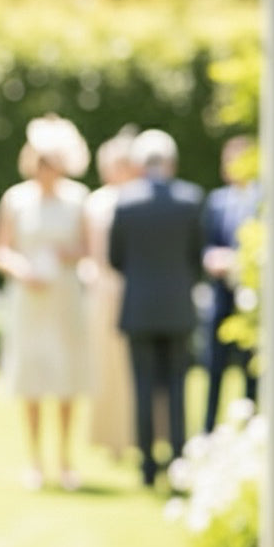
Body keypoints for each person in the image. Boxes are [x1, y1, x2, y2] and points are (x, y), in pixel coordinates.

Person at [0, 113, 91, 491]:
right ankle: (34, 461)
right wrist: (21, 270)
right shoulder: (15, 198)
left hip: (65, 296)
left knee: (66, 375)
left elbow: (89, 249)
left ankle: (65, 460)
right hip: (28, 298)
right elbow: (0, 250)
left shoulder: (79, 198)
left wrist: (67, 255)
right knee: (31, 375)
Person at [108, 129, 204, 488]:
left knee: (143, 388)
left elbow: (115, 258)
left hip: (139, 311)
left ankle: (147, 468)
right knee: (178, 389)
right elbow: (196, 257)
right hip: (178, 310)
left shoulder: (125, 202)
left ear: (139, 164)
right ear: (171, 162)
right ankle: (178, 461)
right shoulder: (191, 200)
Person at [82, 128, 140, 461]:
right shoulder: (96, 201)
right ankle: (110, 439)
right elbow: (88, 251)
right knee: (105, 366)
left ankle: (137, 434)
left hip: (135, 290)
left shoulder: (139, 198)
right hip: (103, 292)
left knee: (134, 366)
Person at [201, 134, 260, 432]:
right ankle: (209, 429)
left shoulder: (263, 199)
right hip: (221, 294)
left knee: (252, 369)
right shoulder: (217, 201)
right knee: (215, 366)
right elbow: (205, 243)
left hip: (252, 297)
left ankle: (251, 427)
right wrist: (211, 258)